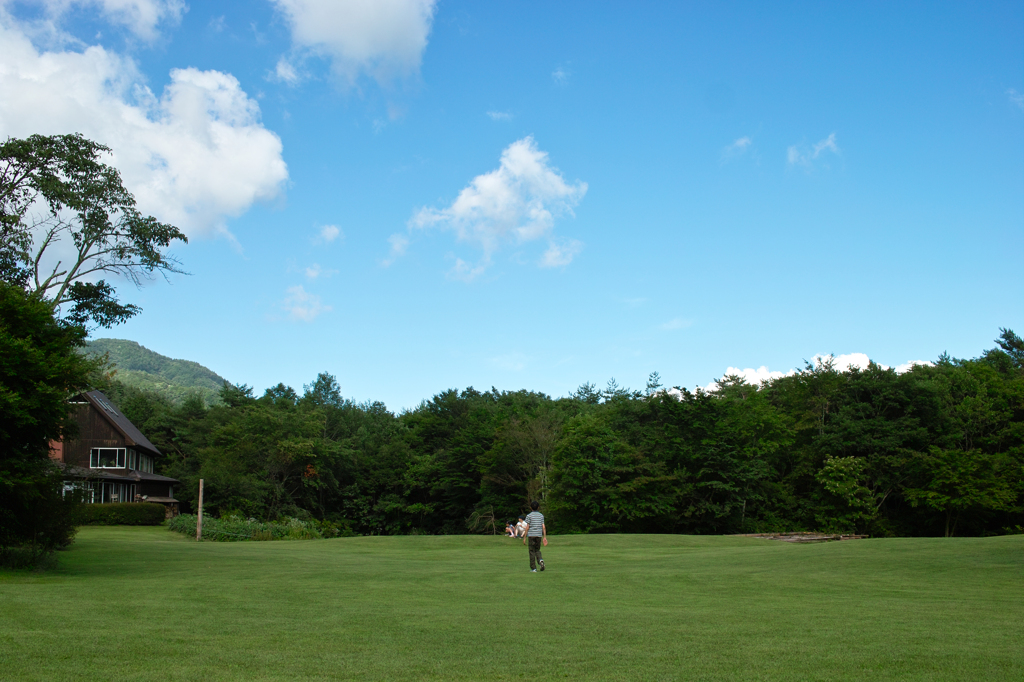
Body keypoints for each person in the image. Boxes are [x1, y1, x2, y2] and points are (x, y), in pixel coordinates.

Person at [522, 501, 547, 572]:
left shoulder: (529, 516)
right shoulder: (541, 516)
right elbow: (543, 527)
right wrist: (544, 537)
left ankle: (533, 568)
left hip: (531, 535)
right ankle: (540, 560)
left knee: (531, 551)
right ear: (538, 507)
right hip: (538, 535)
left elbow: (527, 527)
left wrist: (524, 538)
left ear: (530, 508)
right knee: (537, 550)